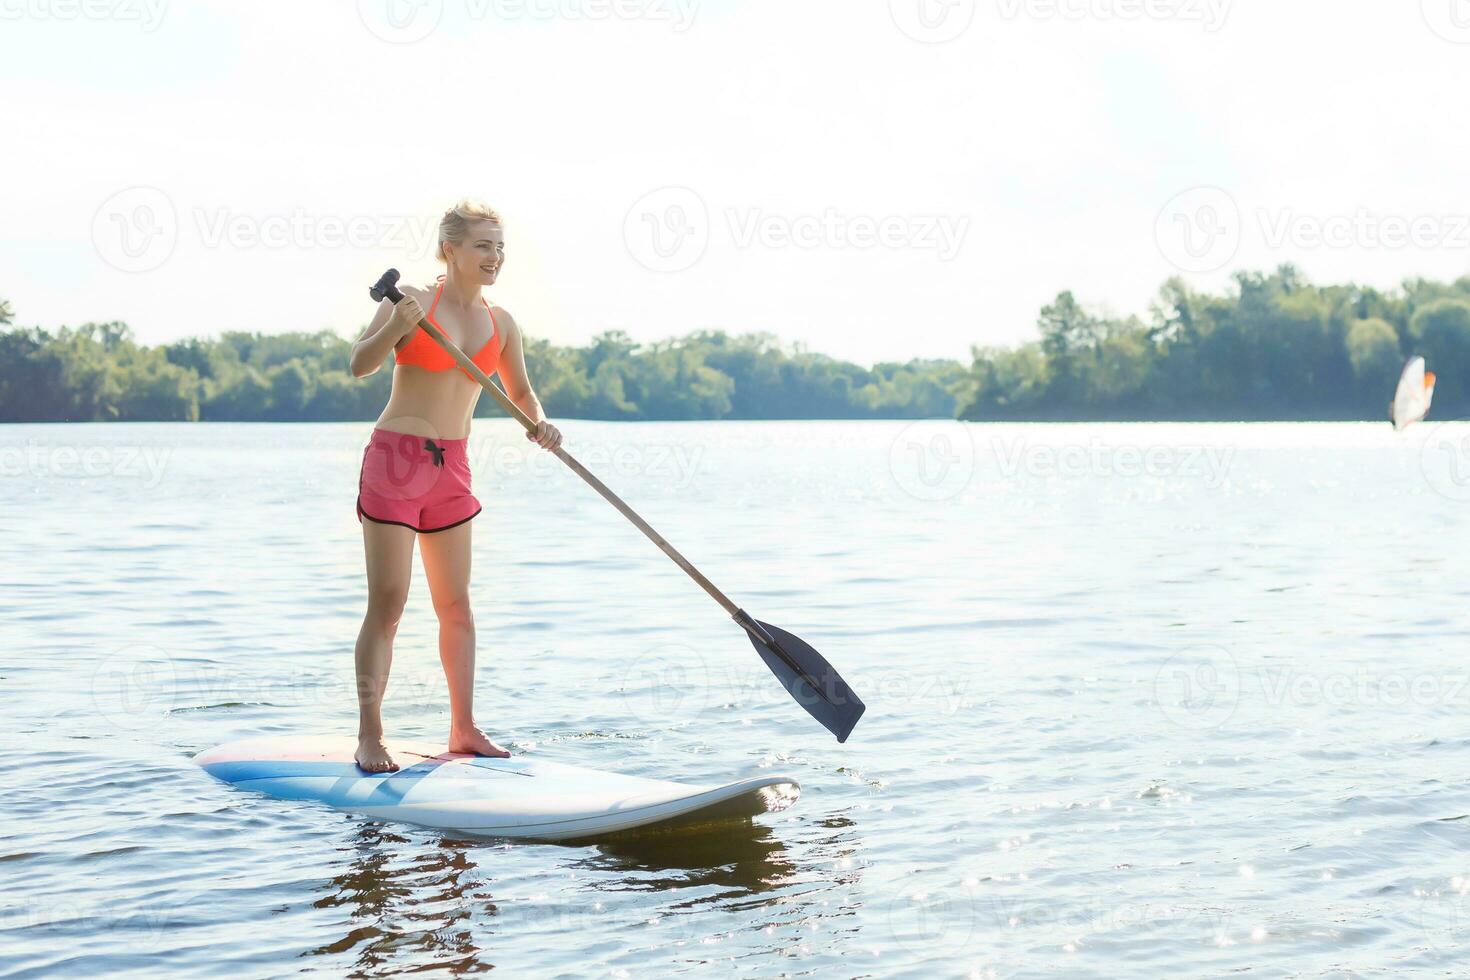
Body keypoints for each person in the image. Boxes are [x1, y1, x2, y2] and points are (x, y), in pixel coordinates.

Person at [347, 200, 563, 773]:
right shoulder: (416, 299)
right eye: (482, 246)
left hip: (454, 469)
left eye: (499, 246)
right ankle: (370, 736)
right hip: (396, 461)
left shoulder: (503, 323)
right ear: (450, 249)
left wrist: (539, 421)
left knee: (457, 607)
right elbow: (359, 365)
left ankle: (463, 728)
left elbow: (521, 392)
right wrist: (397, 325)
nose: (494, 256)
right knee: (388, 605)